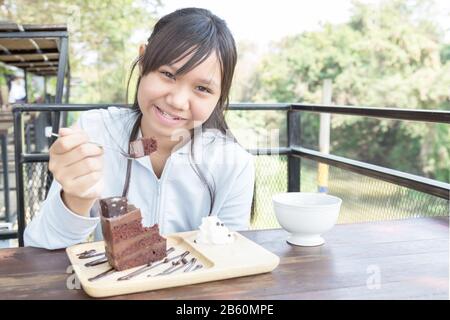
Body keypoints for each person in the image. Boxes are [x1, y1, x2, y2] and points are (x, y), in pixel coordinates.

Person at [24, 8, 255, 249]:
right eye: (168, 74)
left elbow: (231, 257)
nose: (177, 101)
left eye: (202, 89)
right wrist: (75, 198)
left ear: (219, 97)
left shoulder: (234, 163)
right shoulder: (95, 132)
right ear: (144, 61)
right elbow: (39, 246)